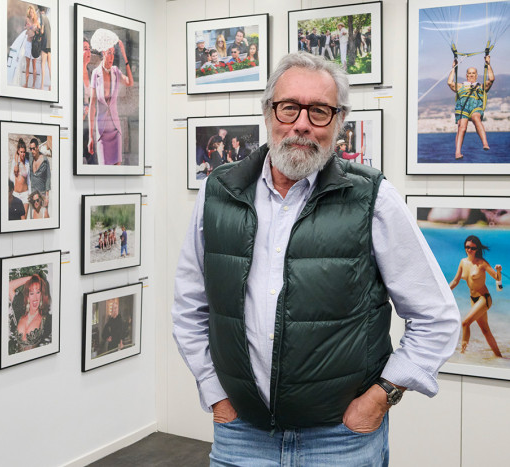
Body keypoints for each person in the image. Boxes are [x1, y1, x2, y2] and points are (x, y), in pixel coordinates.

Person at [172, 52, 460, 465]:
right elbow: (189, 307)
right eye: (289, 107)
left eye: (320, 111)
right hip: (241, 436)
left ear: (339, 121)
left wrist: (380, 399)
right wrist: (214, 393)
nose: (302, 124)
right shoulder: (218, 192)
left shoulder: (372, 197)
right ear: (269, 113)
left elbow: (436, 316)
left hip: (340, 441)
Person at [449, 235, 502, 357]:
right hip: (473, 300)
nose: (469, 250)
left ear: (477, 249)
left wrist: (498, 270)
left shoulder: (482, 263)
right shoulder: (463, 262)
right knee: (485, 331)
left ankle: (462, 354)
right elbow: (455, 281)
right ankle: (500, 357)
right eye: (467, 247)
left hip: (484, 298)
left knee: (465, 323)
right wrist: (444, 291)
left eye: (472, 248)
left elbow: (497, 278)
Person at [87, 38, 134, 165]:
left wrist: (125, 56)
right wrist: (91, 136)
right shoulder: (96, 74)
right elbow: (92, 106)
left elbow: (130, 82)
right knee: (104, 169)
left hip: (115, 129)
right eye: (109, 53)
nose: (111, 57)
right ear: (103, 53)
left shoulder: (116, 72)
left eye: (113, 53)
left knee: (117, 169)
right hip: (102, 131)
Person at [447, 56, 495, 159]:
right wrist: (453, 68)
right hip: (462, 107)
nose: (472, 75)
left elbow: (491, 79)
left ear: (477, 75)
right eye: (470, 73)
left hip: (475, 106)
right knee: (462, 127)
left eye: (473, 73)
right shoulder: (460, 86)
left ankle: (485, 143)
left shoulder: (481, 86)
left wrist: (488, 64)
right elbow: (450, 83)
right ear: (466, 75)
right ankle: (458, 152)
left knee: (476, 118)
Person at [9, 273, 52, 352]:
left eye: (38, 292)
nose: (35, 297)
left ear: (42, 294)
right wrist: (32, 278)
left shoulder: (47, 319)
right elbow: (9, 286)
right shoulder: (20, 310)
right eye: (31, 293)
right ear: (27, 296)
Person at [29, 138, 50, 209]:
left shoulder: (44, 161)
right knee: (33, 218)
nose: (32, 151)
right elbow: (18, 152)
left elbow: (48, 178)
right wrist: (16, 163)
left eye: (33, 148)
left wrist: (47, 197)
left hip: (42, 194)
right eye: (30, 149)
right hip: (33, 195)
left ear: (38, 147)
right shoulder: (30, 157)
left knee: (43, 217)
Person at [12, 138, 30, 215]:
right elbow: (12, 177)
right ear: (18, 152)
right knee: (16, 218)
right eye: (21, 152)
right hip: (15, 194)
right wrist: (16, 163)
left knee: (23, 219)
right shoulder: (15, 162)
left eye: (24, 152)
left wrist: (30, 193)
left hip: (25, 194)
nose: (23, 154)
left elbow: (29, 179)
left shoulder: (27, 163)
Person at [23, 5, 40, 89]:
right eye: (30, 12)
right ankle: (26, 84)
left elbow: (39, 30)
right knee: (27, 65)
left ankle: (33, 85)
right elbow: (25, 27)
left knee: (34, 66)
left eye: (32, 12)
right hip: (28, 43)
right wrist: (29, 27)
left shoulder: (36, 21)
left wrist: (31, 28)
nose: (31, 14)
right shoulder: (27, 19)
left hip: (34, 45)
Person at [38, 6, 52, 91]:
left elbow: (42, 31)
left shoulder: (42, 17)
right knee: (50, 66)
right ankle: (52, 84)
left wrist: (38, 28)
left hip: (44, 43)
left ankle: (42, 86)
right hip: (49, 44)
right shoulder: (47, 18)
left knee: (42, 65)